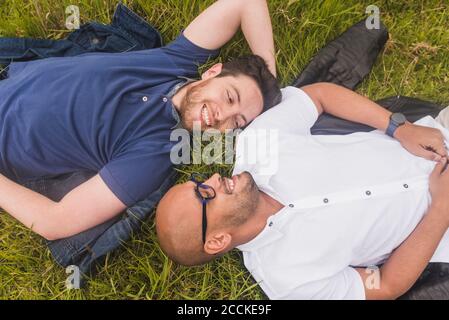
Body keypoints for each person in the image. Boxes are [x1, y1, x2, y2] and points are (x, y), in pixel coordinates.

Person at [0, 0, 280, 241]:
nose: (223, 117)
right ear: (212, 72)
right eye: (230, 98)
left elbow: (56, 222)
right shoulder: (176, 60)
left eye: (238, 121)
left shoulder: (154, 156)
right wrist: (269, 77)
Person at [156, 82, 449, 299]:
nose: (215, 178)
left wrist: (400, 128)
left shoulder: (257, 144)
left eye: (200, 181)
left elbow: (318, 96)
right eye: (206, 194)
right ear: (217, 240)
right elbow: (384, 284)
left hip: (438, 139)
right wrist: (440, 210)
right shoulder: (288, 282)